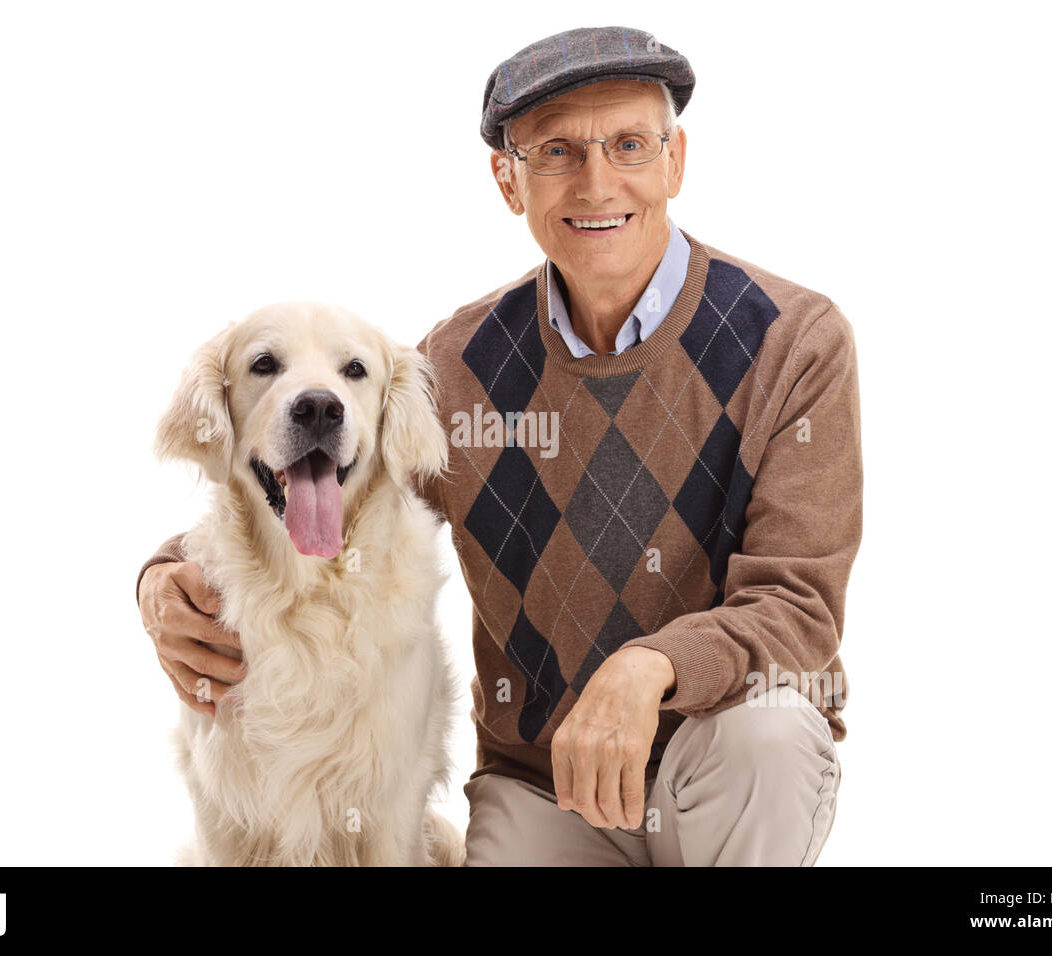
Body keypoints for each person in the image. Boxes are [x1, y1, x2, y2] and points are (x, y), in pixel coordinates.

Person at [136, 25, 863, 866]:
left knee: (767, 737)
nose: (596, 183)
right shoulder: (455, 365)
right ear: (508, 180)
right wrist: (162, 579)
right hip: (545, 784)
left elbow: (798, 608)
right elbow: (329, 480)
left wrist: (647, 668)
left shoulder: (795, 340)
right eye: (556, 152)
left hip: (720, 755)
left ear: (675, 162)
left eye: (629, 144)